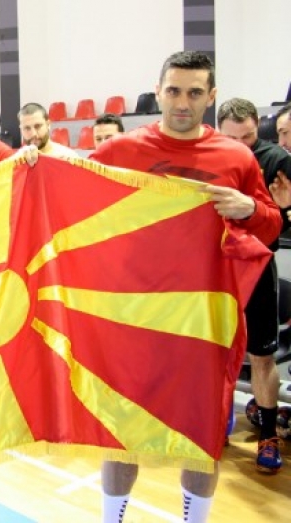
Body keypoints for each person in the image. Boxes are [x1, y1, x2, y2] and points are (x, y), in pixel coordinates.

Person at [87, 51, 281, 523]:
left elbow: (271, 225)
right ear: (158, 91)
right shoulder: (120, 151)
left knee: (201, 439)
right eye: (173, 90)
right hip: (133, 322)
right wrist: (34, 160)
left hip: (203, 324)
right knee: (123, 437)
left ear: (210, 96)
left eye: (194, 93)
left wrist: (249, 209)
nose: (181, 102)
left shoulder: (236, 157)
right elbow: (65, 191)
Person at [218, 96, 291, 473]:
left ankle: (267, 435)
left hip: (259, 269)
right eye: (232, 139)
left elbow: (283, 224)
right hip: (218, 271)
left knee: (262, 357)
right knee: (216, 353)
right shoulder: (208, 158)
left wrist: (284, 209)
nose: (242, 147)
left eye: (248, 137)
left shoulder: (276, 160)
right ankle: (217, 422)